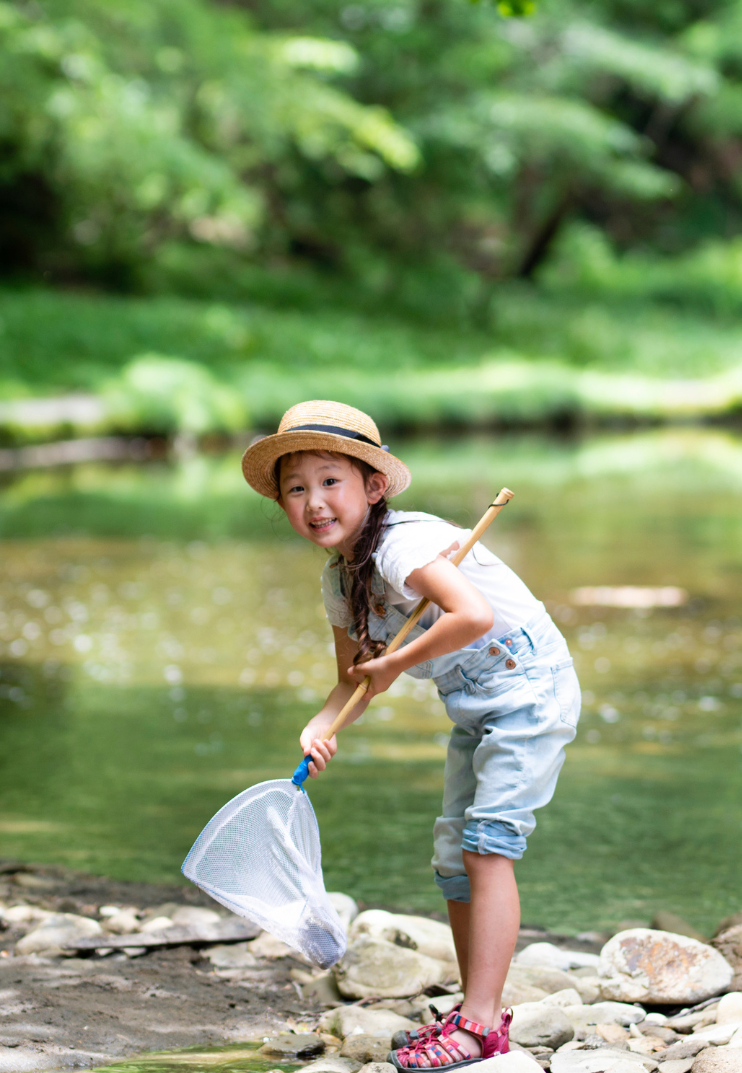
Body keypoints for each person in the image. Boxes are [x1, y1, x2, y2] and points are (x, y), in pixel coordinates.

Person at [240, 400, 581, 1071]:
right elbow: (352, 680)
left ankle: (482, 1027)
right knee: (453, 857)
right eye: (296, 488)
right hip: (474, 702)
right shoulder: (341, 579)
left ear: (372, 487)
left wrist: (398, 661)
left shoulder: (403, 546)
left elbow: (473, 614)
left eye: (330, 481)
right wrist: (319, 724)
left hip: (530, 686)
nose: (314, 503)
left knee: (488, 846)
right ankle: (472, 1007)